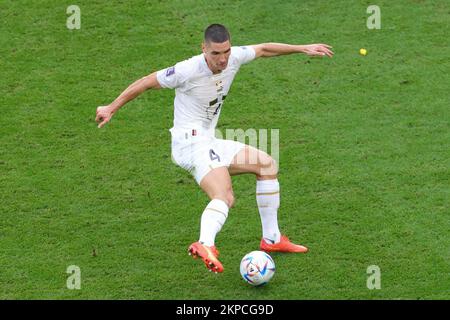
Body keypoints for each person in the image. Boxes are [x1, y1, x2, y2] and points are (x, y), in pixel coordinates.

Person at [96, 24, 333, 273]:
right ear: (203, 49)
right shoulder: (187, 70)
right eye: (215, 54)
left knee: (266, 164)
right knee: (225, 196)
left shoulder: (234, 57)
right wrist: (111, 107)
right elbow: (145, 82)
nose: (222, 59)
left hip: (208, 140)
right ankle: (205, 243)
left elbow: (263, 49)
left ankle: (271, 240)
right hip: (189, 144)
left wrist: (302, 48)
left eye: (226, 52)